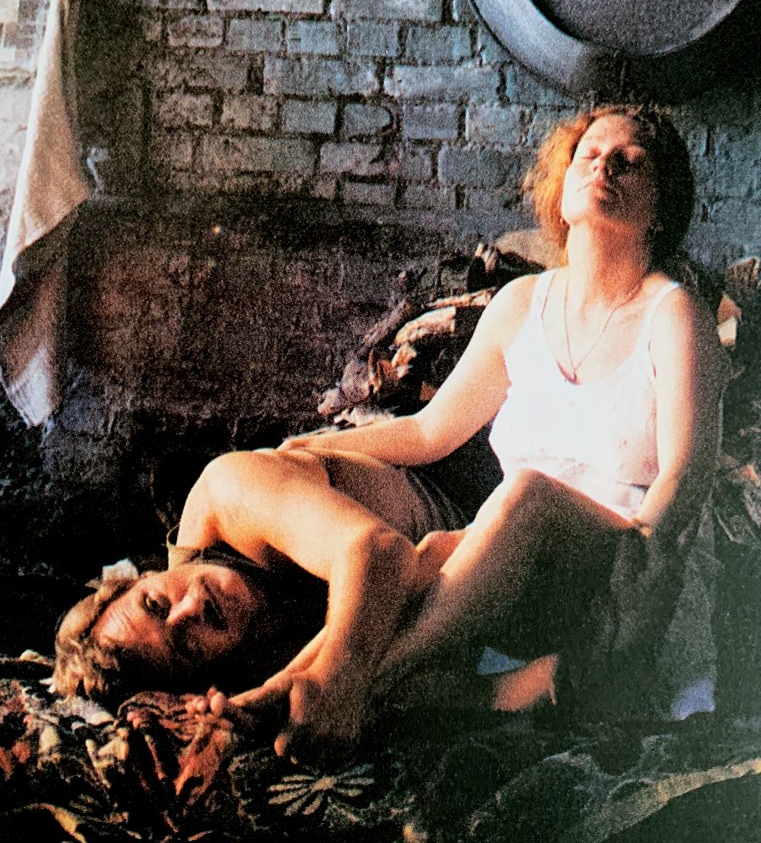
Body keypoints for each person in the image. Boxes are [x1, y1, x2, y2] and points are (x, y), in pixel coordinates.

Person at [53, 104, 726, 754]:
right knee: (435, 551)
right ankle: (306, 689)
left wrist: (640, 596)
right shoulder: (523, 303)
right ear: (561, 182)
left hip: (626, 557)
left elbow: (684, 479)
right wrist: (315, 445)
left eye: (629, 162)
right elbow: (432, 431)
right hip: (523, 568)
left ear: (661, 206)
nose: (603, 168)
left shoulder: (674, 314)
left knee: (521, 495)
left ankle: (354, 688)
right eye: (589, 154)